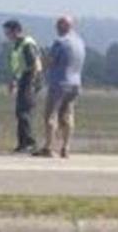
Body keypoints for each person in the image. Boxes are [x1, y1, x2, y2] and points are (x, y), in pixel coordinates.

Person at [35, 16, 86, 158]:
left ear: (65, 26)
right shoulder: (80, 42)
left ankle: (48, 147)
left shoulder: (60, 42)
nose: (56, 28)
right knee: (68, 115)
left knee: (51, 115)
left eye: (58, 25)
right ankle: (66, 147)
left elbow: (50, 61)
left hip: (59, 82)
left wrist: (41, 67)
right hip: (75, 82)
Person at [3, 20, 42, 153]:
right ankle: (22, 142)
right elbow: (18, 66)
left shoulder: (27, 44)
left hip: (29, 78)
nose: (7, 35)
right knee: (20, 112)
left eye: (8, 32)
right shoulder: (17, 45)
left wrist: (32, 83)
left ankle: (30, 143)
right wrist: (14, 80)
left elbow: (34, 64)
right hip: (23, 78)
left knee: (24, 112)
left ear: (16, 31)